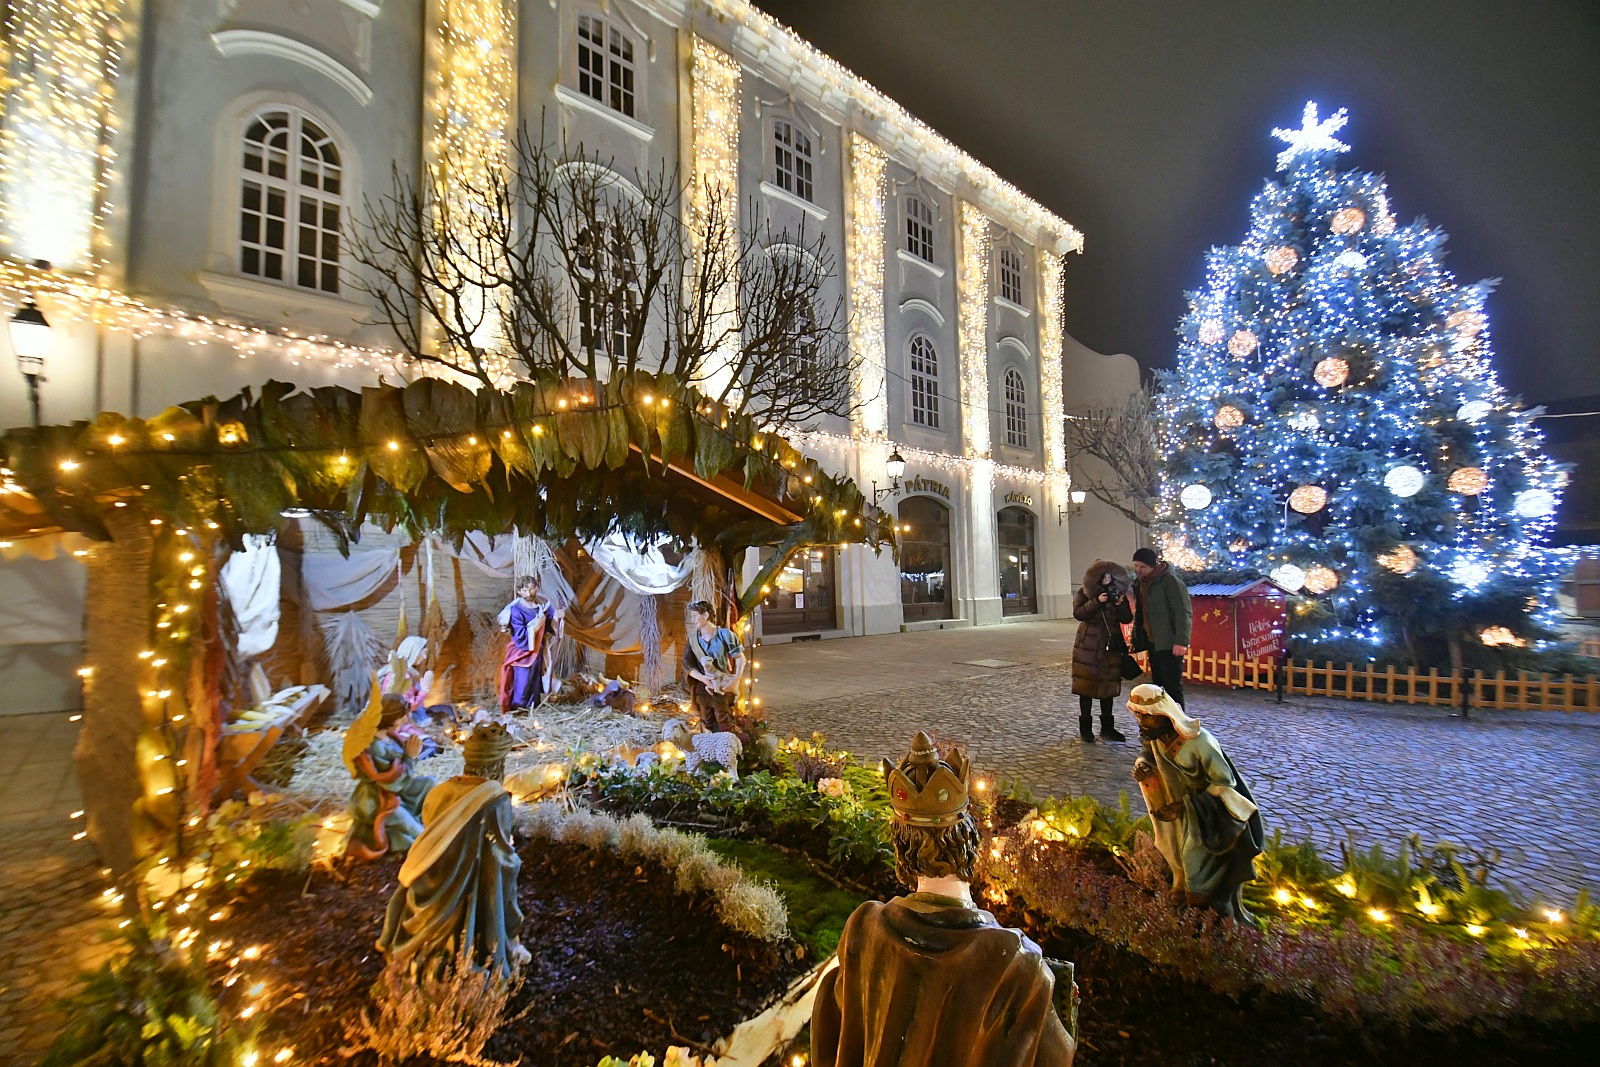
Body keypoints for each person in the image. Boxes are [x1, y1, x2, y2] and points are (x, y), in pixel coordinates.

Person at [811, 731, 1076, 1067]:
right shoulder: (1019, 964)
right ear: (971, 841)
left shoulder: (863, 928)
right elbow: (1055, 1057)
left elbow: (833, 1025)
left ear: (900, 848)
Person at [378, 722, 529, 978]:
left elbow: (431, 836)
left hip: (427, 880)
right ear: (497, 766)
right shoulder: (494, 799)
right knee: (500, 876)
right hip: (465, 891)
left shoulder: (438, 791)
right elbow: (501, 857)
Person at [1128, 684, 1264, 923]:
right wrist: (1144, 768)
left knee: (1195, 867)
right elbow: (1150, 757)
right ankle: (1194, 917)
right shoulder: (1159, 739)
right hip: (1188, 813)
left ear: (1165, 714)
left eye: (1147, 716)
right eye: (1138, 715)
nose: (1142, 723)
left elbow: (1225, 783)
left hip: (1210, 815)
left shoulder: (1200, 742)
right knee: (1180, 861)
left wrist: (1185, 806)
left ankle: (1212, 923)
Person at [343, 688, 437, 861]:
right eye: (401, 716)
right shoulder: (374, 747)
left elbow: (400, 775)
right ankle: (423, 839)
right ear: (389, 719)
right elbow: (391, 782)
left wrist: (410, 755)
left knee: (430, 784)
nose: (405, 719)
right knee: (413, 829)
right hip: (376, 799)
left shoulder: (390, 737)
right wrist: (410, 758)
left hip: (394, 791)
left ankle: (421, 819)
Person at [1071, 560, 1134, 743]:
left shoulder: (1117, 592)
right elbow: (1079, 613)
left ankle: (1108, 728)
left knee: (1108, 685)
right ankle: (1086, 729)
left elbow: (1126, 618)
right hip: (1088, 644)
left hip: (1110, 644)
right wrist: (1096, 602)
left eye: (1109, 575)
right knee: (1086, 685)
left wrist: (1120, 603)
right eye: (1103, 575)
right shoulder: (1085, 592)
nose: (1107, 579)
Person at [1130, 546, 1192, 707]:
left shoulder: (1170, 581)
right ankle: (1162, 719)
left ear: (1153, 566)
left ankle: (1178, 720)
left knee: (1172, 687)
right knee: (1158, 687)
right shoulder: (1142, 583)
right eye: (1135, 565)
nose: (1138, 570)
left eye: (1142, 566)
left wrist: (1181, 641)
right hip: (1153, 642)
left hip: (1169, 643)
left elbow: (1183, 612)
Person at [681, 599, 746, 735]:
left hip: (722, 683)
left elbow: (740, 658)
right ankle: (709, 744)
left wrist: (735, 680)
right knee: (706, 719)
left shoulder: (724, 635)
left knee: (723, 718)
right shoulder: (693, 638)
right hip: (703, 686)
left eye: (695, 616)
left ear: (705, 615)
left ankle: (728, 743)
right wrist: (702, 678)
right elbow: (687, 663)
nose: (693, 620)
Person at [498, 576, 559, 712]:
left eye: (532, 589)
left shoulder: (541, 605)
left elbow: (550, 620)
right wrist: (534, 628)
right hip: (522, 652)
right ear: (519, 591)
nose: (529, 593)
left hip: (537, 651)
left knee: (534, 682)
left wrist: (557, 617)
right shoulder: (516, 610)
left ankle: (532, 709)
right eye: (525, 590)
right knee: (523, 684)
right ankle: (517, 709)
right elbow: (519, 636)